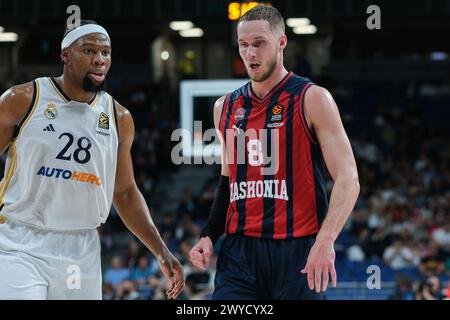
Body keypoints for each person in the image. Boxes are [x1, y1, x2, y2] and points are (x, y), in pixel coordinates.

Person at [0, 20, 184, 299]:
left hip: (81, 244)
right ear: (65, 55)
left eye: (106, 53)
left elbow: (123, 192)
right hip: (20, 240)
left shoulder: (119, 117)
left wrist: (160, 249)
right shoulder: (23, 99)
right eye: (88, 51)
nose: (99, 59)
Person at [189, 6, 359, 299]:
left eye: (259, 43)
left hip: (297, 250)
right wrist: (209, 234)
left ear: (281, 43)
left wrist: (326, 239)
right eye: (243, 45)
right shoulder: (224, 107)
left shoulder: (312, 98)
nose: (250, 53)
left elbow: (348, 177)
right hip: (240, 253)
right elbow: (227, 182)